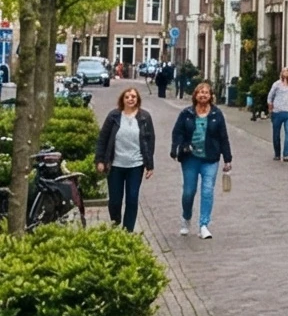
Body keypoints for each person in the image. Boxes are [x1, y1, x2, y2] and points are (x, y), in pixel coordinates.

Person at [169, 80, 233, 238]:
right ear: (195, 95)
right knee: (189, 192)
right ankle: (186, 217)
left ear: (211, 96)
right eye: (200, 92)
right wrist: (176, 149)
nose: (203, 95)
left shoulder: (217, 114)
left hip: (210, 158)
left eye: (206, 92)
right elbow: (177, 133)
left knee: (207, 191)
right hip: (190, 158)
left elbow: (223, 137)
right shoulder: (186, 114)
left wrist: (227, 158)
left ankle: (204, 225)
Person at [95, 85, 155, 231]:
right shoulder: (114, 116)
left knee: (132, 199)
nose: (130, 99)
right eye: (127, 97)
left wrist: (149, 165)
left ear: (138, 99)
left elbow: (149, 140)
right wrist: (100, 160)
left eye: (133, 97)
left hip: (135, 165)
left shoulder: (144, 117)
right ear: (122, 99)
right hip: (115, 165)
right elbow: (103, 138)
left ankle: (128, 231)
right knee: (115, 200)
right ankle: (115, 225)